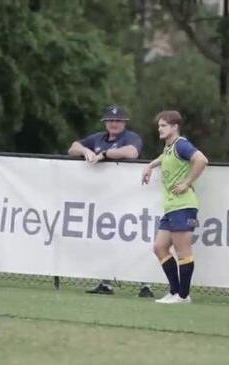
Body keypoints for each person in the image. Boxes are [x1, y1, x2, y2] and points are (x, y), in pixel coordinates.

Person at [68, 105, 154, 298]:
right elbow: (72, 147)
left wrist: (105, 154)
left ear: (124, 123)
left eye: (118, 120)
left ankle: (145, 284)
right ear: (105, 122)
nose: (114, 123)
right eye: (111, 120)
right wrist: (85, 152)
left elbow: (132, 153)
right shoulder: (98, 138)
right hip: (104, 199)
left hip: (130, 197)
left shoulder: (131, 137)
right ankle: (106, 284)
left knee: (135, 240)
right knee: (106, 240)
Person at [141, 110, 208, 304]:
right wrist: (150, 166)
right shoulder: (169, 147)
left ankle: (183, 295)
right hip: (171, 207)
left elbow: (201, 160)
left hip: (184, 205)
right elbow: (163, 157)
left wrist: (187, 182)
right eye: (159, 126)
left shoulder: (182, 145)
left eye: (163, 125)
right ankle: (174, 291)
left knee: (183, 251)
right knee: (159, 247)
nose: (159, 129)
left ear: (174, 127)